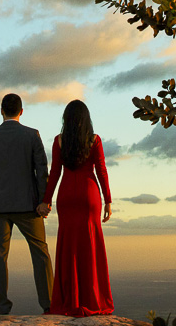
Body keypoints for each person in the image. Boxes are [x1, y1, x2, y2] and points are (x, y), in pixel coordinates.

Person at [0, 93, 53, 315]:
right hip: (29, 206)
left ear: (1, 111)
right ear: (21, 111)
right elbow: (42, 170)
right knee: (40, 252)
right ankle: (49, 304)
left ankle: (2, 308)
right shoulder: (31, 135)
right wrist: (43, 201)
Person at [40, 99, 114, 317]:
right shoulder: (94, 140)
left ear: (66, 119)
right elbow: (101, 170)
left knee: (68, 246)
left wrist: (46, 200)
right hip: (89, 196)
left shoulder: (59, 141)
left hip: (66, 195)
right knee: (90, 245)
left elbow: (55, 172)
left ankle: (69, 299)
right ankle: (92, 298)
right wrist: (108, 200)